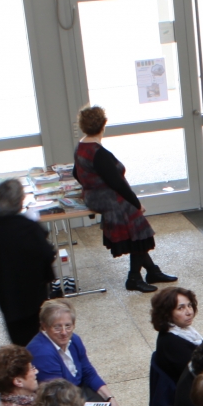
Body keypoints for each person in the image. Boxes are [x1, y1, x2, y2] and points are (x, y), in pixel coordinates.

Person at [74, 105, 176, 292]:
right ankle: (134, 278)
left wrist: (92, 186)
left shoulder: (81, 147)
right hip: (109, 199)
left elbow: (76, 173)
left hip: (94, 197)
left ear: (82, 126)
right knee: (139, 234)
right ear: (103, 125)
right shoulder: (100, 153)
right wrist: (136, 203)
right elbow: (118, 184)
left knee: (136, 234)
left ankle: (152, 271)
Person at [0, 177, 57, 346]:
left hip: (7, 295)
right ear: (20, 201)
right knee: (38, 338)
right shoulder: (29, 226)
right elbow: (47, 254)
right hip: (33, 295)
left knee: (18, 339)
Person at [29, 300, 129, 406]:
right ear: (44, 327)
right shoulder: (42, 353)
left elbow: (88, 372)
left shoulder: (74, 340)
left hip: (76, 392)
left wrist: (110, 399)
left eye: (68, 326)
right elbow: (59, 397)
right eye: (57, 327)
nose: (64, 332)